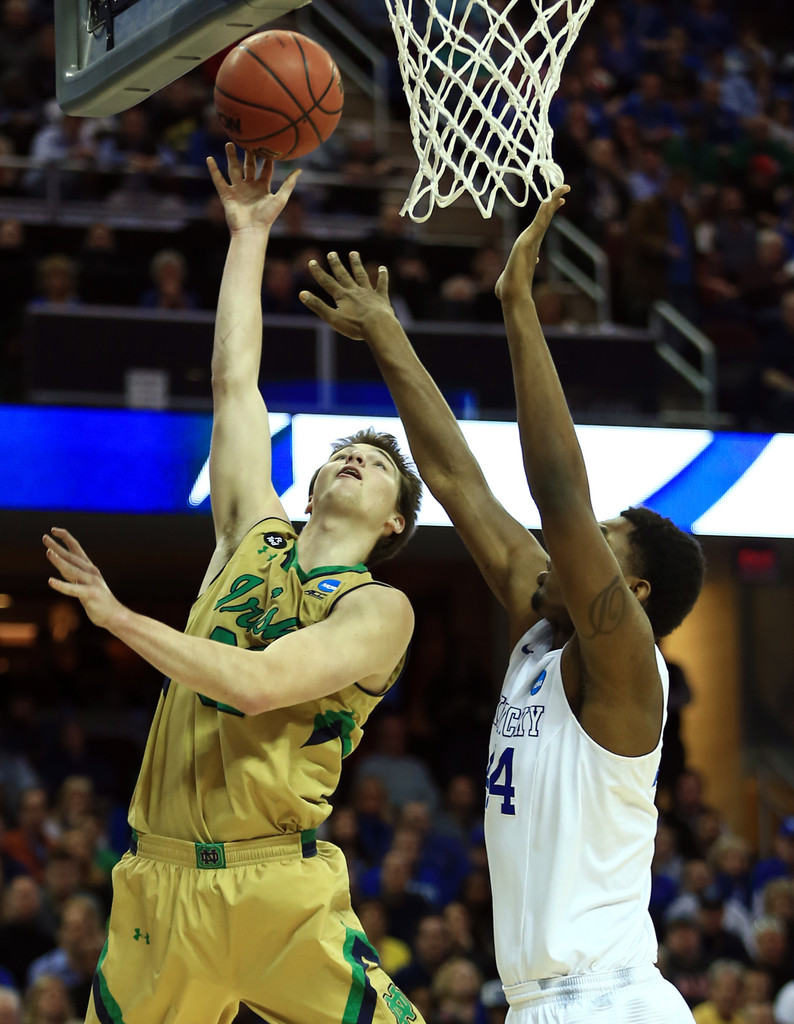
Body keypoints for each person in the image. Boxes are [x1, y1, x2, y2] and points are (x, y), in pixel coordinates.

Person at [299, 185, 706, 1022]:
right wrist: (388, 334)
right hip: (539, 1003)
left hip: (609, 1003)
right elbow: (454, 477)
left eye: (597, 541)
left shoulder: (629, 667)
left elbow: (557, 488)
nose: (565, 544)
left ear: (630, 594)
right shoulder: (542, 631)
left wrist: (520, 309)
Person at [42, 144, 425, 1024]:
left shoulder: (379, 609)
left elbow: (254, 686)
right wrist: (249, 232)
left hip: (277, 890)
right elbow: (234, 384)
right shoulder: (250, 531)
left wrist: (115, 615)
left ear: (394, 523)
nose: (354, 460)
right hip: (159, 880)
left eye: (375, 466)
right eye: (345, 453)